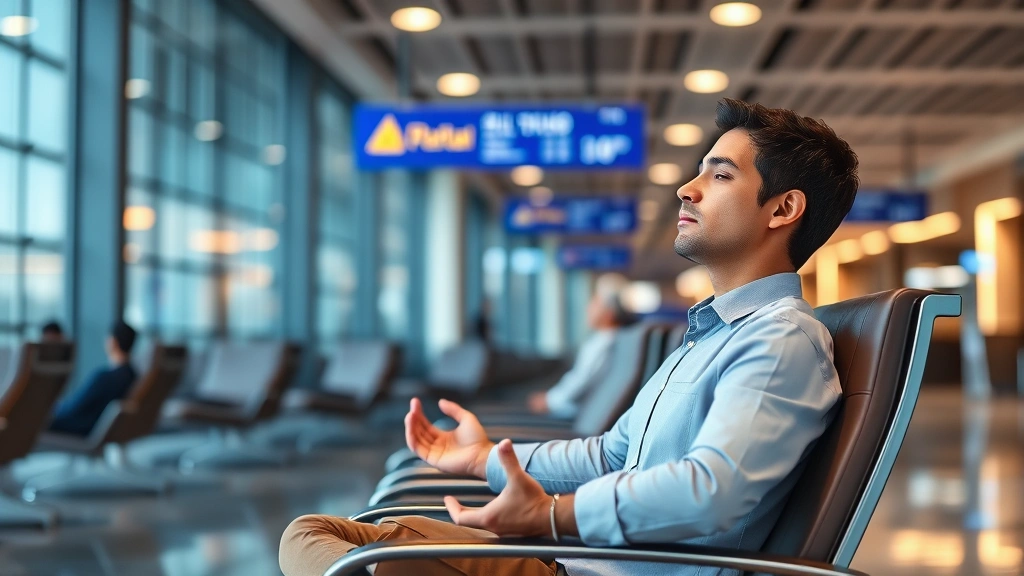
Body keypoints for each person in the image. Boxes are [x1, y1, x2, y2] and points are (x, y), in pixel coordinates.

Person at [279, 98, 859, 576]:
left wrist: (553, 516)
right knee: (314, 536)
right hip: (574, 560)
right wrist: (483, 459)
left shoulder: (781, 340)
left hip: (587, 568)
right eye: (699, 170)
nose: (687, 188)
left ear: (783, 208)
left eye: (720, 174)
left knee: (332, 556)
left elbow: (713, 492)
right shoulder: (709, 337)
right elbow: (611, 454)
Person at [527, 274, 631, 418]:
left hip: (577, 415)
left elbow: (581, 381)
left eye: (595, 302)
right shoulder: (614, 339)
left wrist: (549, 401)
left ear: (609, 313)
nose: (588, 308)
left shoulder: (605, 343)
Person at [48, 321, 138, 437]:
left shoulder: (105, 378)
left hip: (81, 429)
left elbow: (73, 408)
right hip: (94, 427)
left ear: (112, 342)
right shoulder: (132, 376)